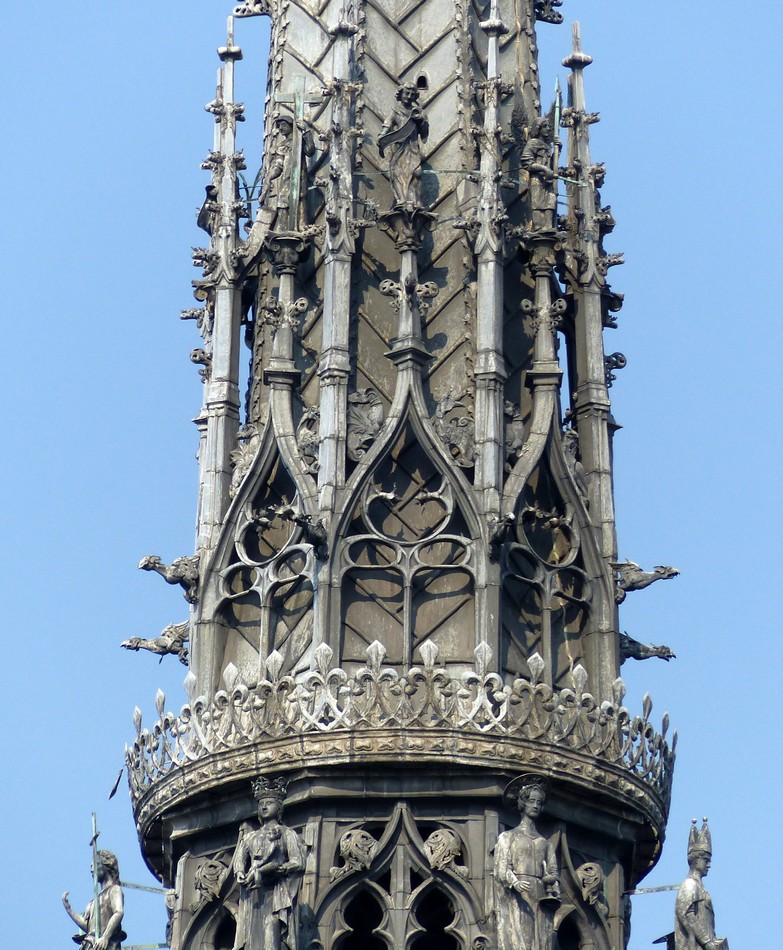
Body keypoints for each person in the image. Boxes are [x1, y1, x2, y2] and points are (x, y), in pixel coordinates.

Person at [232, 776, 305, 950]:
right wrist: (240, 873)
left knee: (272, 929)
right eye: (261, 803)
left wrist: (281, 869)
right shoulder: (249, 837)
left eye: (269, 803)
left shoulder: (287, 833)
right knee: (251, 934)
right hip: (253, 894)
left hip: (277, 891)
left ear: (279, 808)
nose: (264, 806)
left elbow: (298, 861)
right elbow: (239, 860)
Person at [494, 775, 560, 950]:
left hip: (540, 895)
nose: (536, 805)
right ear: (522, 803)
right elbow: (502, 868)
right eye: (532, 801)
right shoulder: (508, 837)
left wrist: (550, 879)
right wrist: (514, 882)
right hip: (518, 894)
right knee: (520, 936)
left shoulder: (545, 843)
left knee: (541, 940)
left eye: (539, 802)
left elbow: (554, 873)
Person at [674, 820, 729, 950]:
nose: (709, 865)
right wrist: (707, 942)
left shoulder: (700, 887)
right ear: (696, 859)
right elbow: (687, 915)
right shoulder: (689, 885)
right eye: (706, 860)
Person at [378, 83, 429, 209]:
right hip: (399, 148)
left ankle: (416, 200)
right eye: (407, 93)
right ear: (401, 94)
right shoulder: (396, 111)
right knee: (397, 172)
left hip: (412, 148)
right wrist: (382, 136)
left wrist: (421, 121)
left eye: (412, 94)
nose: (409, 96)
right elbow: (387, 124)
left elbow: (424, 135)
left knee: (417, 172)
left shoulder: (418, 113)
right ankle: (402, 199)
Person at [62, 849, 126, 950]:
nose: (92, 869)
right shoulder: (93, 902)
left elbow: (118, 912)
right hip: (91, 944)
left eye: (95, 865)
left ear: (106, 866)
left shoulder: (114, 890)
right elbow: (88, 926)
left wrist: (105, 937)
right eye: (91, 866)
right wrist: (69, 910)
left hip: (106, 945)